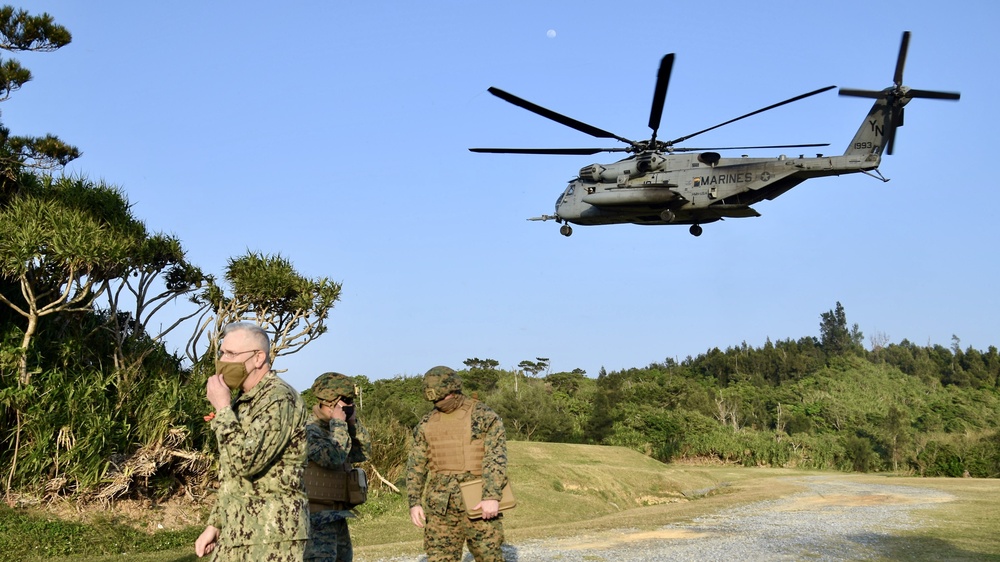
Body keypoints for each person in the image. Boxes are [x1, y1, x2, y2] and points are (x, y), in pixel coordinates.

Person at [194, 322, 310, 561]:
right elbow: (232, 474)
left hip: (273, 536)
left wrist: (223, 408)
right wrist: (215, 524)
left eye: (232, 354)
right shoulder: (244, 400)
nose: (223, 360)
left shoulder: (279, 399)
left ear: (259, 358)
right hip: (237, 532)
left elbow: (247, 462)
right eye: (222, 352)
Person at [407, 366, 508, 562]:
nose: (437, 403)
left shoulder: (483, 415)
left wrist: (492, 496)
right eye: (433, 400)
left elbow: (495, 457)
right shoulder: (427, 422)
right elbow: (416, 465)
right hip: (440, 505)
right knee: (439, 558)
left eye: (441, 397)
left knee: (489, 556)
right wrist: (414, 502)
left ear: (454, 390)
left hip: (478, 501)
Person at [304, 372, 372, 562]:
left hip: (337, 515)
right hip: (316, 518)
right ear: (329, 402)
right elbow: (333, 457)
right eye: (344, 402)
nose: (348, 407)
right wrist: (339, 424)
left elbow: (362, 454)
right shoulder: (310, 430)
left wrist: (352, 425)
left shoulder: (337, 429)